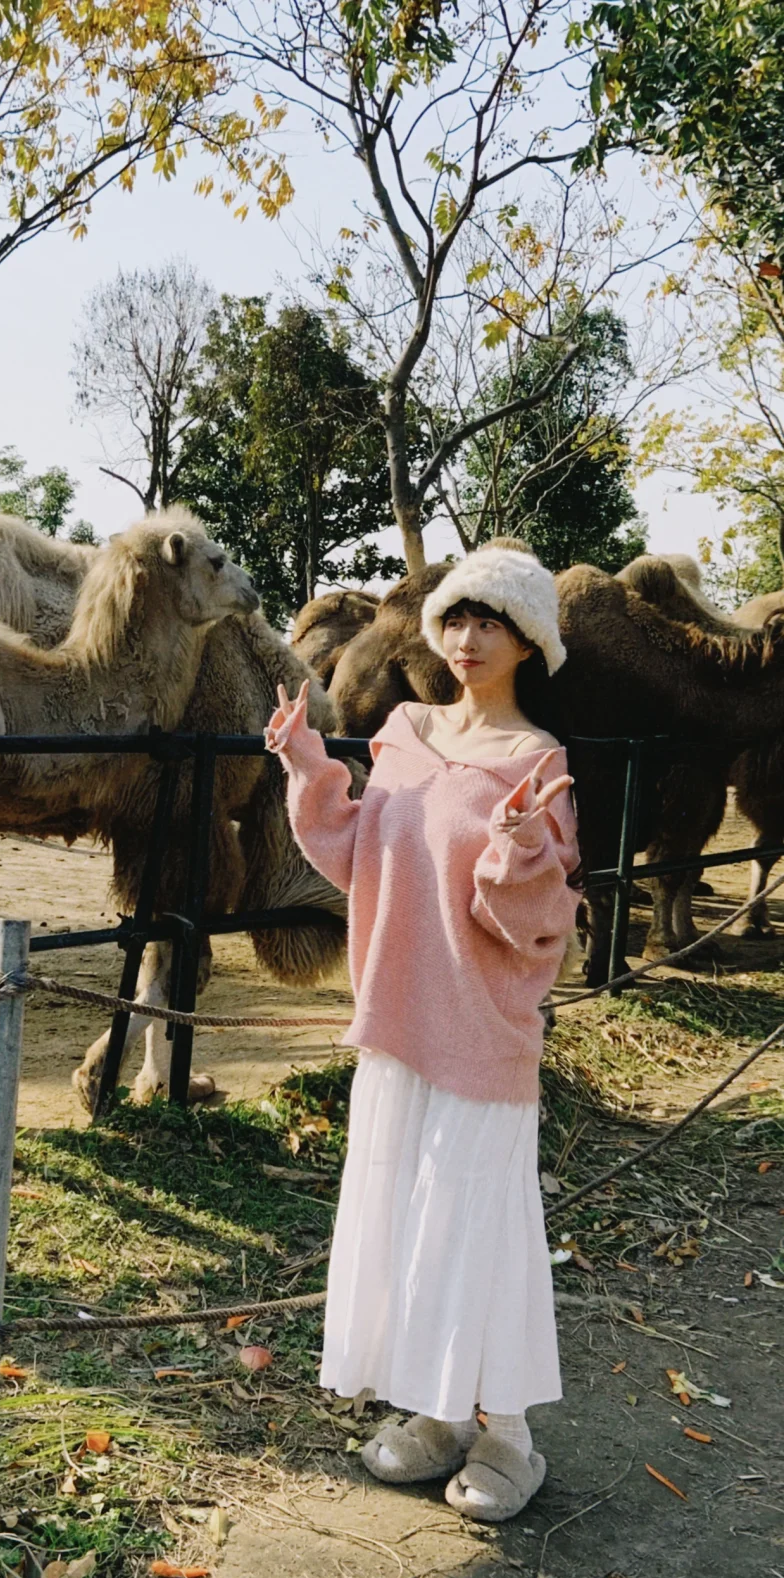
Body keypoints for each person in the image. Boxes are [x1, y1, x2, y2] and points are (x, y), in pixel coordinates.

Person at [265, 542, 581, 1523]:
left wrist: (520, 847)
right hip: (398, 1017)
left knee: (480, 1228)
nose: (468, 636)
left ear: (528, 640)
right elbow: (362, 853)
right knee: (410, 1220)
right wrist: (310, 764)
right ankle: (440, 1414)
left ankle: (511, 1436)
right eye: (457, 616)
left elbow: (537, 920)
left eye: (492, 620)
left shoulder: (540, 761)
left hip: (483, 1030)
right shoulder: (402, 730)